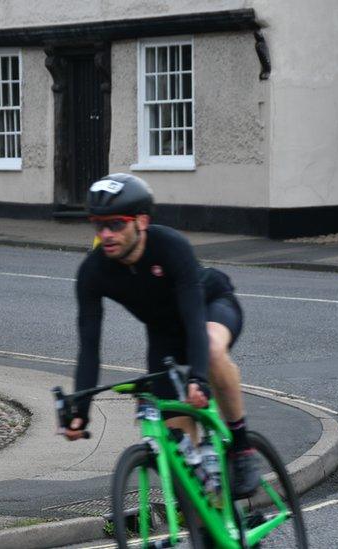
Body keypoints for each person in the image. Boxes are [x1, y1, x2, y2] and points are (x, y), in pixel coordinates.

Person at [63, 173, 259, 496]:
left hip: (210, 307)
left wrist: (198, 378)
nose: (106, 234)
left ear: (141, 221)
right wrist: (80, 413)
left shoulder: (170, 246)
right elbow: (88, 348)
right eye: (99, 225)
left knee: (210, 349)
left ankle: (241, 448)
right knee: (181, 458)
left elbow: (194, 319)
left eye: (116, 224)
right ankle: (209, 520)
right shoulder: (93, 271)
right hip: (164, 335)